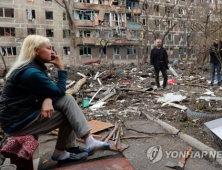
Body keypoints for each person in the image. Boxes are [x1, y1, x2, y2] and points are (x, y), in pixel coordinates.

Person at [0, 35, 110, 165]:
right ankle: (68, 150)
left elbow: (49, 90)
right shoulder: (31, 73)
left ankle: (73, 147)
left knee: (67, 101)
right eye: (49, 48)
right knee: (68, 111)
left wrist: (48, 99)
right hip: (17, 123)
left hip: (22, 115)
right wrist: (61, 68)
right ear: (36, 51)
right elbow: (58, 91)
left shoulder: (31, 67)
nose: (53, 52)